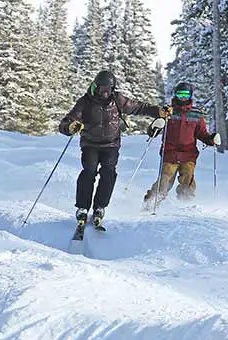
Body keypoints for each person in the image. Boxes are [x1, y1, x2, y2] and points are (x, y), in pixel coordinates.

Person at [58, 70, 171, 227]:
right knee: (89, 172)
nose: (105, 93)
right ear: (95, 87)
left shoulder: (118, 99)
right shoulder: (85, 101)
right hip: (90, 145)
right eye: (102, 89)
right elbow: (67, 121)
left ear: (113, 88)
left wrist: (157, 111)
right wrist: (70, 126)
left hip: (111, 145)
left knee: (109, 174)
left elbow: (139, 107)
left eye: (108, 89)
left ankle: (99, 207)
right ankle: (83, 207)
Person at [143, 82, 220, 209]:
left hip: (188, 155)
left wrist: (211, 139)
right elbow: (153, 131)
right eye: (180, 94)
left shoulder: (196, 114)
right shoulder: (168, 112)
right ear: (175, 95)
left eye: (186, 94)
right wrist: (155, 127)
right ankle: (150, 203)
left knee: (187, 182)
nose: (183, 97)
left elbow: (202, 133)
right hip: (170, 154)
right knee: (165, 181)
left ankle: (186, 204)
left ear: (190, 96)